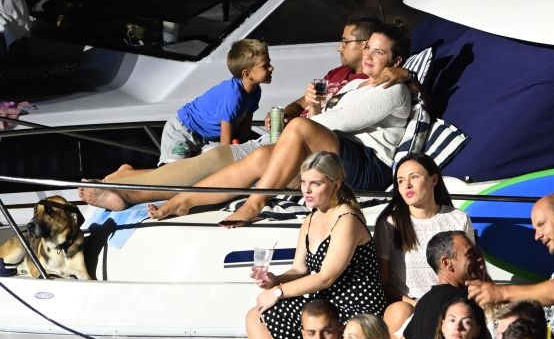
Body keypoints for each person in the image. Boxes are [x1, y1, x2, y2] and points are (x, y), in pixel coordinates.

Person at [77, 21, 380, 208]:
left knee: (216, 160)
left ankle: (130, 189)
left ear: (366, 45)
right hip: (296, 138)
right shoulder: (338, 74)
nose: (338, 47)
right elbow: (298, 104)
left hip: (317, 147)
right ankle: (130, 183)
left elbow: (348, 115)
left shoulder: (383, 82)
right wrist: (291, 111)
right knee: (212, 160)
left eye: (345, 42)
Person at [147, 21, 412, 227]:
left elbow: (336, 122)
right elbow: (326, 119)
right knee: (263, 155)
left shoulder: (394, 89)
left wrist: (297, 128)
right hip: (340, 155)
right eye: (368, 48)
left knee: (298, 127)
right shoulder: (356, 83)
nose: (369, 55)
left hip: (368, 168)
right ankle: (184, 200)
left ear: (396, 61)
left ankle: (254, 205)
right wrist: (313, 108)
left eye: (379, 52)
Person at [246, 152, 387, 339]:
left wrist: (278, 292)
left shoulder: (346, 218)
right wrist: (274, 280)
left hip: (355, 303)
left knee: (272, 311)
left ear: (335, 184)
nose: (307, 190)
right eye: (303, 182)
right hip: (328, 299)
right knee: (255, 316)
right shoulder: (310, 220)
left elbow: (325, 277)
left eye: (315, 183)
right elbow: (299, 270)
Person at [376, 154, 475, 339]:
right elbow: (384, 283)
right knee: (399, 312)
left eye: (414, 177)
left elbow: (469, 274)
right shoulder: (390, 223)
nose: (407, 186)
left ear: (434, 180)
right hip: (409, 305)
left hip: (448, 303)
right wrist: (419, 305)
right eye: (400, 180)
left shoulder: (458, 219)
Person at [156, 38, 274, 176]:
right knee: (172, 175)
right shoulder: (233, 95)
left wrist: (244, 149)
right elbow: (225, 143)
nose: (271, 68)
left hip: (207, 138)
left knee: (204, 170)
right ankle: (129, 174)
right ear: (247, 74)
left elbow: (245, 127)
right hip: (184, 131)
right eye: (265, 66)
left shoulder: (255, 91)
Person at [404, 231, 487, 339]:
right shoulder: (461, 302)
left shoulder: (423, 302)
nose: (480, 260)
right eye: (471, 255)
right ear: (447, 263)